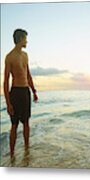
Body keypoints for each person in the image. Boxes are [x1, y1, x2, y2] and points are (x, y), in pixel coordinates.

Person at [3, 29, 38, 158]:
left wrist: (33, 91)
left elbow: (28, 75)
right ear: (20, 39)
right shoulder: (9, 57)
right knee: (14, 125)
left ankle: (26, 150)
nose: (27, 41)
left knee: (26, 122)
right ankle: (12, 155)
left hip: (25, 92)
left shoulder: (25, 55)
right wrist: (8, 103)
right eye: (25, 39)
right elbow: (5, 81)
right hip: (16, 93)